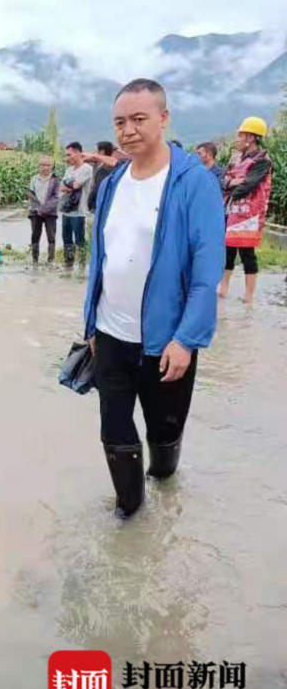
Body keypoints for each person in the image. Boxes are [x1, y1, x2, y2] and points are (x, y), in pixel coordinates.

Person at [83, 79, 225, 519]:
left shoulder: (193, 182)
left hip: (167, 340)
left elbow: (206, 271)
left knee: (163, 434)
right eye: (120, 122)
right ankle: (130, 519)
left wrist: (187, 339)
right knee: (114, 430)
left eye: (139, 119)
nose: (128, 130)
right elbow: (99, 259)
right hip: (111, 334)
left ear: (164, 118)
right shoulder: (112, 183)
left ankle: (163, 482)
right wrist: (90, 325)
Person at [218, 117, 273, 304]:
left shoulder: (262, 161)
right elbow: (223, 181)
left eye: (240, 135)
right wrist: (232, 183)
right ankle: (224, 287)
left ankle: (248, 295)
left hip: (250, 213)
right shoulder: (235, 158)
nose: (237, 139)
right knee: (228, 249)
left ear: (250, 137)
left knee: (247, 252)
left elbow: (248, 185)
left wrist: (232, 185)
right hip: (232, 209)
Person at [59, 142, 94, 270]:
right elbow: (62, 187)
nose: (67, 158)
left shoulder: (87, 168)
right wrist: (69, 186)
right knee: (67, 240)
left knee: (80, 240)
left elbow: (76, 186)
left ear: (79, 153)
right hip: (66, 210)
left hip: (79, 211)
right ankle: (68, 266)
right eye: (66, 155)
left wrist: (69, 185)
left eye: (70, 155)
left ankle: (82, 267)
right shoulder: (68, 170)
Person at [28, 156, 60, 264]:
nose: (44, 167)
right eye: (42, 165)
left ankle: (51, 260)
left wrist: (45, 209)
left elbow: (56, 197)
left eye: (47, 165)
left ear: (51, 167)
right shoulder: (34, 179)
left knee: (51, 237)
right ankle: (34, 260)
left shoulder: (55, 180)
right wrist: (38, 208)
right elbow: (31, 194)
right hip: (35, 212)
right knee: (35, 236)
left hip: (50, 213)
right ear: (39, 166)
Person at [87, 141, 121, 213]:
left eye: (96, 151)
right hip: (96, 206)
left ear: (102, 152)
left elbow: (98, 188)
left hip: (102, 206)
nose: (94, 153)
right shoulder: (99, 167)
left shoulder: (108, 168)